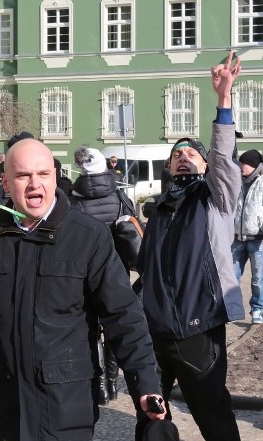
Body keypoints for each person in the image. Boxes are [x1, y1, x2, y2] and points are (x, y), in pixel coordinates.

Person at [0, 138, 165, 441]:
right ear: (6, 184)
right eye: (23, 175)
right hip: (8, 401)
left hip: (67, 400)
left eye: (43, 174)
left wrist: (146, 384)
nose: (34, 184)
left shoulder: (89, 235)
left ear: (55, 177)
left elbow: (123, 316)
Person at [136, 52, 244, 441]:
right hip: (154, 332)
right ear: (168, 168)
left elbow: (225, 159)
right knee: (150, 418)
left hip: (197, 330)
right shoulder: (160, 209)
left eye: (192, 154)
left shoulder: (215, 198)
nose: (183, 158)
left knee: (212, 413)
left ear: (206, 165)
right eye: (176, 155)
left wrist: (224, 99)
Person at [69, 146, 137, 406]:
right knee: (113, 326)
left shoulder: (73, 199)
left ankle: (99, 387)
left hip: (85, 272)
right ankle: (112, 383)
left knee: (92, 328)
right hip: (117, 270)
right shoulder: (119, 196)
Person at [232, 149, 263, 325]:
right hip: (237, 238)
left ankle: (257, 309)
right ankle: (231, 308)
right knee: (231, 276)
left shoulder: (261, 183)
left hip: (258, 239)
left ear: (254, 166)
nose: (241, 166)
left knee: (258, 278)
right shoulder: (236, 183)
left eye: (244, 163)